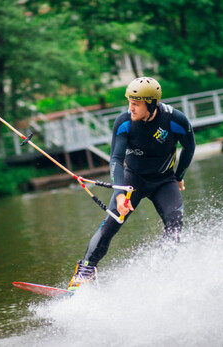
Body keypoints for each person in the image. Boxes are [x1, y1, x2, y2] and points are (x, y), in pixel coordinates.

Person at [68, 77, 196, 291]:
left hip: (164, 180)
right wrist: (119, 195)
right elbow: (116, 159)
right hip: (132, 181)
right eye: (129, 102)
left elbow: (189, 148)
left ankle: (163, 274)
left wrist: (179, 176)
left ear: (151, 103)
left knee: (175, 225)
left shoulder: (176, 120)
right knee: (111, 224)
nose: (131, 108)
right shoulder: (124, 122)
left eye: (136, 103)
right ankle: (84, 274)